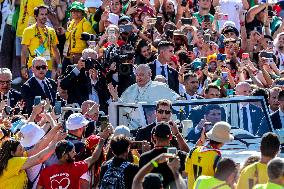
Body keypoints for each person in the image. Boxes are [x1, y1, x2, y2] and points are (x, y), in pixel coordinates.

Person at [37, 127, 111, 189]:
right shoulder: (76, 167)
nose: (75, 154)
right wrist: (101, 140)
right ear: (65, 155)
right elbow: (94, 157)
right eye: (72, 152)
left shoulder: (45, 172)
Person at [0, 131, 65, 189]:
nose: (23, 150)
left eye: (22, 148)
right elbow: (39, 158)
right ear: (12, 153)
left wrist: (55, 130)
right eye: (20, 149)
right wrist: (58, 144)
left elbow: (37, 148)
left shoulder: (16, 158)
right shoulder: (12, 162)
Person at [185, 121, 234, 189]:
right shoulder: (217, 158)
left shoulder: (193, 151)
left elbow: (186, 173)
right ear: (223, 141)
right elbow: (220, 182)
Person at [139, 122, 187, 188]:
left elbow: (139, 180)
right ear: (170, 137)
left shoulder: (144, 157)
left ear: (154, 137)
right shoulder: (179, 155)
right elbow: (189, 154)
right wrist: (177, 134)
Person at [21, 5, 60, 79]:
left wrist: (59, 65)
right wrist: (23, 66)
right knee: (35, 90)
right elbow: (24, 51)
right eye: (42, 14)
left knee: (46, 89)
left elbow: (55, 49)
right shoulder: (28, 30)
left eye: (46, 14)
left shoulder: (51, 31)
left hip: (47, 68)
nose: (44, 16)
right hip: (34, 68)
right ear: (36, 16)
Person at [108, 64, 180, 103]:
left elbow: (176, 100)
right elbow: (123, 108)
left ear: (149, 74)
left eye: (142, 75)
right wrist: (116, 98)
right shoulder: (131, 89)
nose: (139, 77)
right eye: (137, 75)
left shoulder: (160, 87)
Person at [61, 1, 94, 72]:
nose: (74, 12)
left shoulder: (85, 24)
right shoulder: (71, 23)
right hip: (69, 56)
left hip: (80, 56)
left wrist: (86, 57)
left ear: (82, 12)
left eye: (77, 11)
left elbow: (91, 42)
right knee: (65, 77)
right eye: (72, 11)